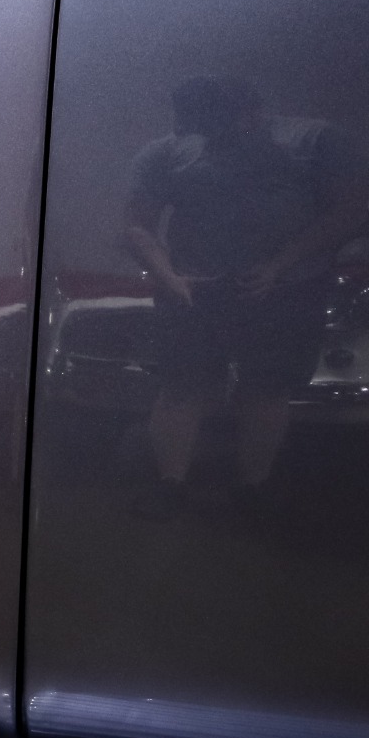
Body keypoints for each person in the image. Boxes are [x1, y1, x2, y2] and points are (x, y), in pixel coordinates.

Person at [124, 77, 365, 518]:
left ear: (249, 113)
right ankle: (170, 486)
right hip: (194, 289)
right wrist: (168, 276)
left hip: (288, 288)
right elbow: (137, 224)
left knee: (268, 387)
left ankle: (255, 490)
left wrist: (282, 263)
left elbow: (351, 212)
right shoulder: (168, 151)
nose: (195, 134)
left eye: (209, 125)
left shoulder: (316, 142)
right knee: (181, 385)